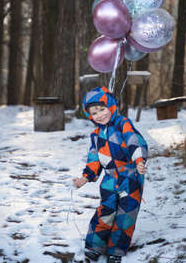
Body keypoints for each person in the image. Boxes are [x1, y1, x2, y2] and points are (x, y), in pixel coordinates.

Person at [72, 86, 148, 263]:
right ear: (90, 116)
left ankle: (116, 250)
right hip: (109, 178)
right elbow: (94, 158)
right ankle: (94, 245)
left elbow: (134, 141)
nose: (99, 115)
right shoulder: (96, 134)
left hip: (130, 177)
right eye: (94, 112)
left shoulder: (122, 124)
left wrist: (138, 161)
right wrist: (86, 177)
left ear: (111, 106)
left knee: (126, 214)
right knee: (105, 211)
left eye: (102, 109)